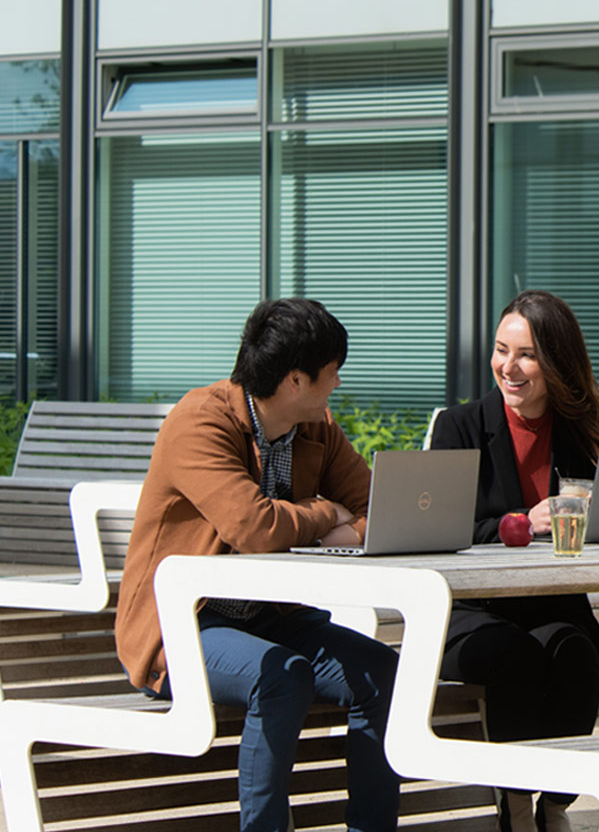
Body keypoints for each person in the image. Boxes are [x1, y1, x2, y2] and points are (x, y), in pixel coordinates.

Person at [115, 298, 400, 832]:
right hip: (186, 626)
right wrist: (325, 513)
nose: (338, 383)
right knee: (283, 677)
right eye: (332, 371)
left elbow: (381, 508)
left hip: (272, 618)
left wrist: (335, 527)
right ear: (295, 380)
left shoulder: (315, 427)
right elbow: (254, 527)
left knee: (382, 672)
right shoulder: (199, 422)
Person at [429, 289, 599, 832]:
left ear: (556, 361)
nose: (508, 367)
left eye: (526, 355)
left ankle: (555, 804)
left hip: (552, 600)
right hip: (474, 608)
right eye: (500, 350)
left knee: (577, 649)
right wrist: (521, 522)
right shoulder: (459, 428)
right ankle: (513, 804)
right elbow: (442, 530)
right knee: (515, 656)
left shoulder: (582, 427)